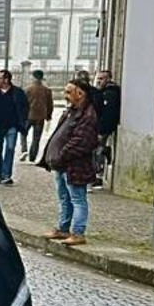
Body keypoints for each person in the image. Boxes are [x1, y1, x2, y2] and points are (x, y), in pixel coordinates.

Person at [39, 80, 101, 246]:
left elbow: (80, 142)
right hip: (62, 165)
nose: (65, 96)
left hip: (75, 165)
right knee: (64, 198)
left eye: (68, 92)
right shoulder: (71, 112)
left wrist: (61, 155)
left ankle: (78, 233)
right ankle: (63, 229)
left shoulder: (88, 115)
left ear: (80, 93)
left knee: (77, 199)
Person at [0, 69, 28, 184]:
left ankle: (6, 175)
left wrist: (23, 121)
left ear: (6, 79)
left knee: (10, 149)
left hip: (12, 126)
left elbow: (25, 107)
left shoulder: (18, 92)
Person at [91, 69, 122, 188]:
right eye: (97, 78)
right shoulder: (101, 92)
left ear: (108, 79)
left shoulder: (110, 94)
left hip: (102, 129)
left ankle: (98, 176)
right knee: (97, 150)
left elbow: (108, 114)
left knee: (97, 151)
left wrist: (101, 131)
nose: (98, 81)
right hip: (99, 127)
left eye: (101, 78)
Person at [24, 69, 54, 162]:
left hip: (28, 116)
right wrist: (48, 116)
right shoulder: (47, 90)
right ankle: (32, 156)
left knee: (23, 133)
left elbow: (23, 104)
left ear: (33, 77)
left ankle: (24, 149)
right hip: (40, 117)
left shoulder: (27, 89)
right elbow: (50, 104)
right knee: (36, 138)